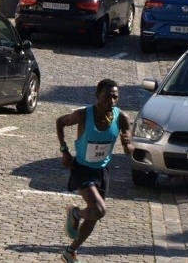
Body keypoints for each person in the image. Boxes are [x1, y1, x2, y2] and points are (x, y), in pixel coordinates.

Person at [56, 79, 133, 263]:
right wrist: (64, 151)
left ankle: (71, 251)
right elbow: (60, 122)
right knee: (99, 210)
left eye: (115, 97)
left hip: (102, 170)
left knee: (93, 216)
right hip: (82, 168)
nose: (111, 101)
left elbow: (129, 150)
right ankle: (75, 213)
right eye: (107, 97)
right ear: (98, 95)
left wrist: (127, 144)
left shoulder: (122, 118)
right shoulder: (84, 114)